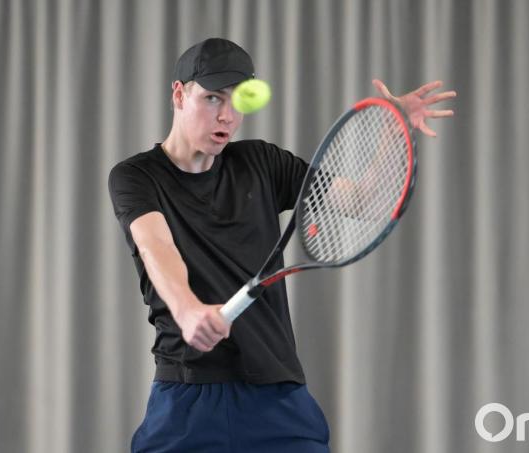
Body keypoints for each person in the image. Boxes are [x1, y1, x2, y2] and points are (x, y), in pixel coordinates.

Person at [108, 38, 456, 453]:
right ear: (179, 94)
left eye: (239, 102)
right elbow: (155, 246)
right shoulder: (136, 177)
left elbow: (363, 202)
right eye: (212, 98)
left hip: (276, 396)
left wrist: (392, 127)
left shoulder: (262, 163)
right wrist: (187, 310)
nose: (226, 116)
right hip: (187, 397)